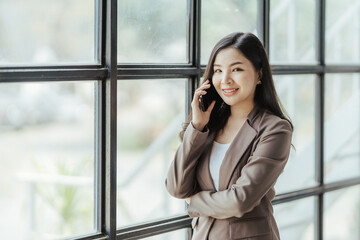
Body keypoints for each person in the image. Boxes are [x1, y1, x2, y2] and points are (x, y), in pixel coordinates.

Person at [165, 32, 293, 240]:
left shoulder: (275, 129)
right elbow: (177, 187)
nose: (225, 80)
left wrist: (194, 201)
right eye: (218, 71)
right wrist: (196, 127)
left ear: (259, 74)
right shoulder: (208, 126)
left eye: (237, 69)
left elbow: (241, 200)